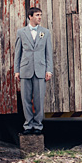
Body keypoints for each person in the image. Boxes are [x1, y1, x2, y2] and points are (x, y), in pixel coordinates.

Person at [14, 7, 53, 135]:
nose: (40, 17)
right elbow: (17, 53)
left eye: (40, 15)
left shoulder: (45, 32)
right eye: (37, 15)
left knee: (39, 99)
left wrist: (49, 70)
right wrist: (17, 70)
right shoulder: (21, 32)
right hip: (25, 69)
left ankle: (38, 125)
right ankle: (28, 125)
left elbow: (48, 53)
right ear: (30, 17)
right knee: (25, 99)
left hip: (40, 70)